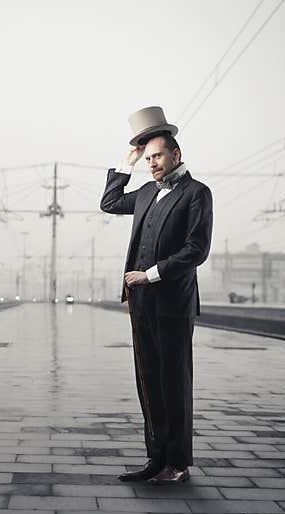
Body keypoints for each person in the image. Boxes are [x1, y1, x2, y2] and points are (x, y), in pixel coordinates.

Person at [100, 106, 213, 485]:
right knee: (147, 380)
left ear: (177, 154)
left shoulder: (198, 193)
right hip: (141, 304)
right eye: (148, 158)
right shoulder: (147, 191)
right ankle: (156, 459)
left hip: (173, 304)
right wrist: (126, 161)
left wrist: (149, 275)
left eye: (158, 156)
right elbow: (110, 203)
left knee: (174, 382)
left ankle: (177, 463)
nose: (153, 164)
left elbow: (196, 249)